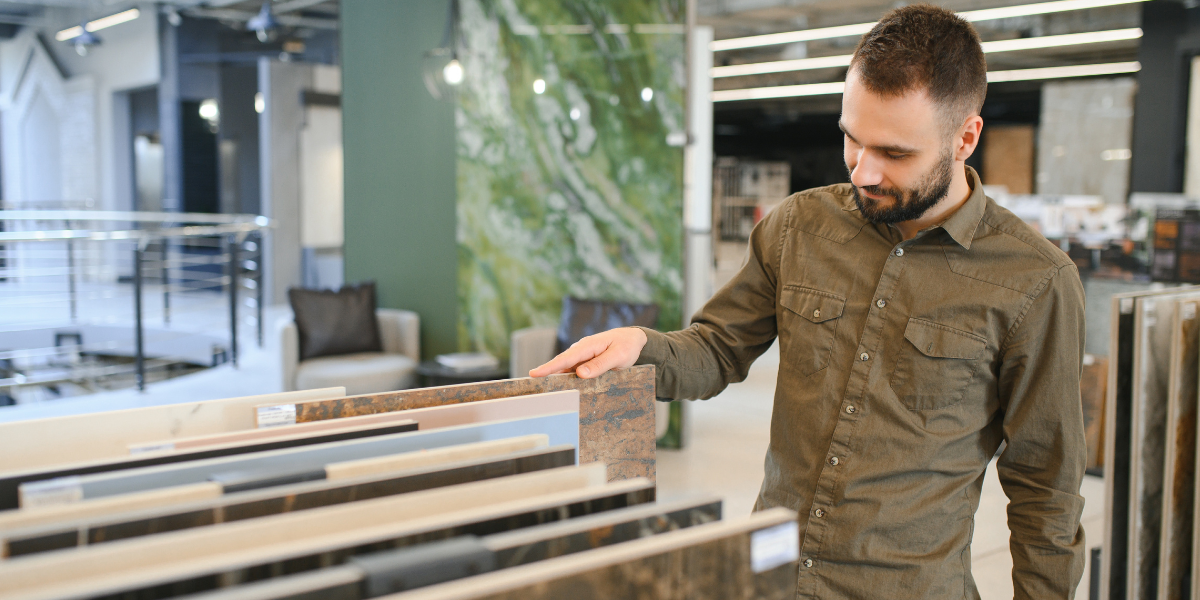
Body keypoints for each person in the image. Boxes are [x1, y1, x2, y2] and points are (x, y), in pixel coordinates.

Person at [531, 4, 1086, 599]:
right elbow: (717, 349)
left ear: (966, 138)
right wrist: (642, 347)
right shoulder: (799, 226)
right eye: (851, 138)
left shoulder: (1034, 282)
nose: (864, 172)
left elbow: (1045, 487)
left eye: (895, 153)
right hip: (773, 580)